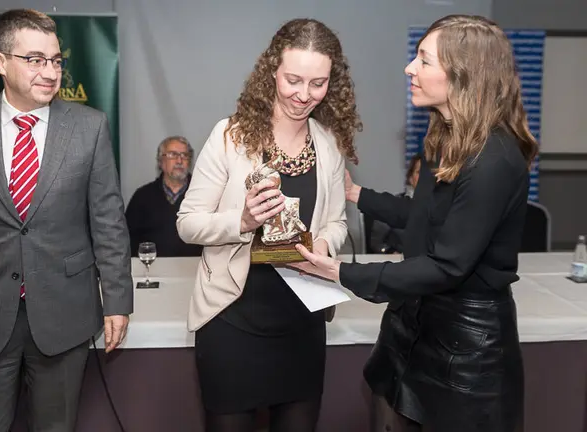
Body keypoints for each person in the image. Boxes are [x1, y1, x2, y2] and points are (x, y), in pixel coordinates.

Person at [293, 14, 537, 432]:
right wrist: (357, 195)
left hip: (466, 351)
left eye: (424, 59)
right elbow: (425, 216)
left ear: (463, 75)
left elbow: (449, 264)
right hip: (414, 324)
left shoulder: (493, 159)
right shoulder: (447, 138)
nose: (410, 68)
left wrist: (341, 272)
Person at [0, 9, 133, 432]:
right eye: (35, 60)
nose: (50, 72)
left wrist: (118, 299)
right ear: (0, 62)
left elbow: (108, 220)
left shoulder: (90, 127)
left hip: (65, 315)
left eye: (56, 60)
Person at [177, 18, 361, 432]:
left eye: (318, 83)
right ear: (271, 72)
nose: (304, 95)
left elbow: (337, 222)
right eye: (293, 80)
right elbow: (187, 223)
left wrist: (322, 245)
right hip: (231, 324)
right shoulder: (230, 136)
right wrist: (241, 221)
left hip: (303, 326)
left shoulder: (328, 144)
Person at [125, 135, 203, 257]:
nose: (179, 161)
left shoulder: (203, 194)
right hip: (152, 270)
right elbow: (127, 239)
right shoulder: (142, 197)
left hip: (196, 269)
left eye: (184, 155)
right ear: (160, 161)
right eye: (173, 155)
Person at [366, 153, 421, 253]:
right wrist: (389, 252)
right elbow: (376, 243)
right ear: (410, 178)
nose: (424, 178)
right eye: (419, 172)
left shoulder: (443, 208)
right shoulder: (393, 205)